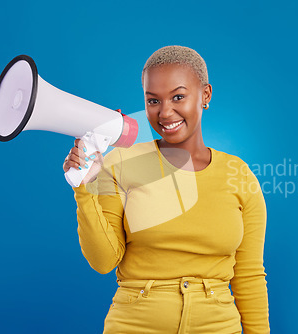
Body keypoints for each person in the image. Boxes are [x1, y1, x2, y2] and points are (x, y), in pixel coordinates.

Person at [63, 45, 270, 334]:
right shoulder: (120, 162)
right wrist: (84, 188)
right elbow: (103, 261)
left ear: (205, 95)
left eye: (178, 97)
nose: (165, 112)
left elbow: (248, 275)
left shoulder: (238, 175)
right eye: (153, 101)